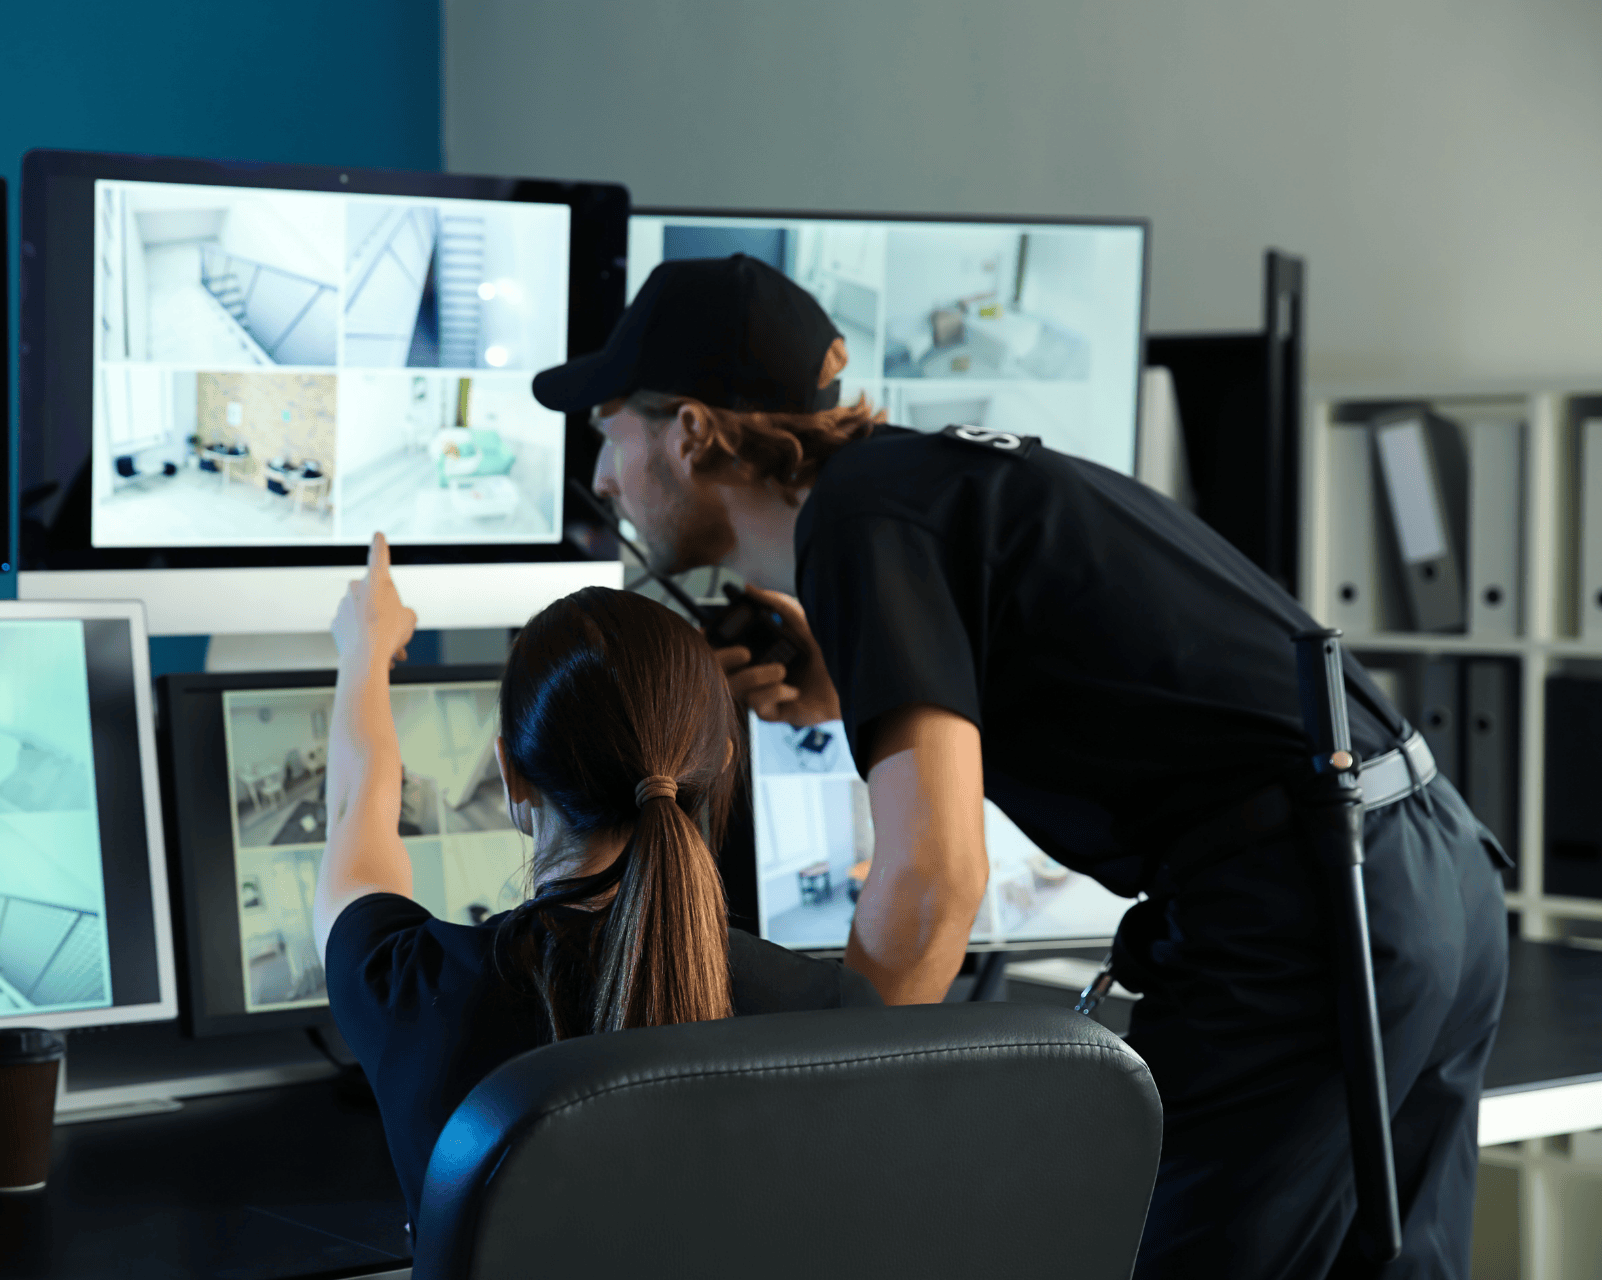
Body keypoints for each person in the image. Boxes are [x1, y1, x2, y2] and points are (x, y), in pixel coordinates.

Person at [531, 253, 1509, 1279]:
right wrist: (852, 677)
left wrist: (820, 1132)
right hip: (1430, 862)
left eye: (608, 430)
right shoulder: (921, 482)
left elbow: (932, 883)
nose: (604, 477)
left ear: (691, 431)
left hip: (1307, 908)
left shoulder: (860, 522)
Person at [317, 533, 880, 1226]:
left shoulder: (408, 990)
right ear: (721, 764)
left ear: (511, 775)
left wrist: (365, 650)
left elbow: (354, 809)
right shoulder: (836, 1016)